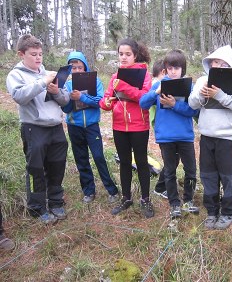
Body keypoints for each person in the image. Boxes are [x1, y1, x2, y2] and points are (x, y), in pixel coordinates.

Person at [6, 34, 69, 224]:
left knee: (57, 165)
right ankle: (37, 207)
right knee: (36, 168)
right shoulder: (16, 75)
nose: (38, 58)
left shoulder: (49, 73)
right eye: (33, 54)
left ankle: (56, 201)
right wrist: (42, 83)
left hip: (56, 127)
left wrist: (56, 91)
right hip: (34, 128)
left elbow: (65, 101)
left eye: (40, 54)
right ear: (21, 54)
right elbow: (19, 96)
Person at [188, 44, 232, 230]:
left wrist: (220, 95)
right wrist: (201, 94)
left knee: (228, 177)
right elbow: (192, 104)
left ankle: (229, 212)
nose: (218, 65)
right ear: (210, 64)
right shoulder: (202, 81)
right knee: (208, 176)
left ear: (228, 66)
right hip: (207, 137)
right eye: (215, 62)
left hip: (227, 139)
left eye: (223, 63)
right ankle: (212, 211)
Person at [140, 49, 199, 218]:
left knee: (191, 170)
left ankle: (188, 201)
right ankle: (174, 203)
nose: (173, 71)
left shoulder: (190, 87)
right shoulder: (159, 85)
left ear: (183, 69)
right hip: (166, 136)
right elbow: (143, 103)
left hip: (185, 136)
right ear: (165, 69)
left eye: (177, 68)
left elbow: (193, 111)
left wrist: (175, 104)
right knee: (170, 171)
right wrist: (156, 92)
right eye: (170, 68)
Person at [99, 38, 154, 218]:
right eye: (121, 54)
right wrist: (106, 103)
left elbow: (144, 97)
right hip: (119, 125)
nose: (123, 57)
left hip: (139, 125)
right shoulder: (115, 76)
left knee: (141, 162)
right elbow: (105, 100)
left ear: (135, 55)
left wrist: (124, 87)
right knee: (124, 162)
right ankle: (126, 198)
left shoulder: (144, 75)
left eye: (127, 54)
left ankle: (145, 199)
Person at [62, 51, 119, 204]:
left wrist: (81, 97)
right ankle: (89, 191)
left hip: (92, 126)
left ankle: (112, 190)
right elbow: (66, 109)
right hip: (74, 126)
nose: (77, 71)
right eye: (73, 68)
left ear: (85, 67)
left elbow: (99, 101)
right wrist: (69, 100)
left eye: (80, 67)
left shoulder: (95, 82)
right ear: (69, 69)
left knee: (99, 157)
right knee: (81, 159)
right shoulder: (67, 85)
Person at [150, 59, 180, 200]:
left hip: (175, 130)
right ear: (164, 72)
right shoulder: (156, 87)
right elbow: (148, 104)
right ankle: (161, 187)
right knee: (170, 161)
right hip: (163, 130)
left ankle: (161, 186)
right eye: (168, 71)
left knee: (174, 159)